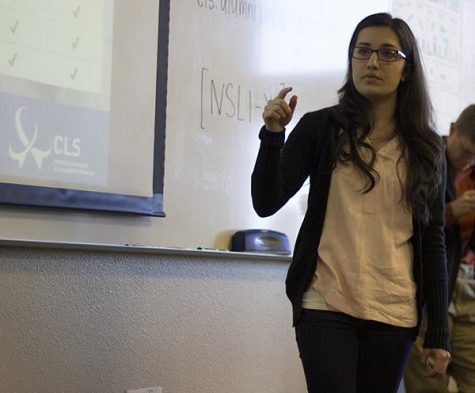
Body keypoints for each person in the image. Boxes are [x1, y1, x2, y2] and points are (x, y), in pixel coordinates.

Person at [251, 12, 450, 393]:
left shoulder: (426, 149)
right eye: (363, 51)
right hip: (325, 301)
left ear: (407, 69)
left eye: (388, 53)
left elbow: (433, 242)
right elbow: (266, 201)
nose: (373, 62)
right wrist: (273, 136)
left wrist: (438, 333)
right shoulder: (319, 128)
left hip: (394, 308)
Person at [404, 104, 475, 393]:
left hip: (466, 287)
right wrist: (450, 212)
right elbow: (408, 223)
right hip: (427, 286)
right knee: (427, 378)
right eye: (467, 151)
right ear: (453, 129)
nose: (469, 160)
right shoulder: (424, 159)